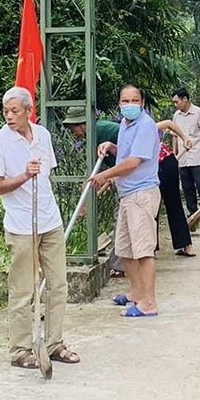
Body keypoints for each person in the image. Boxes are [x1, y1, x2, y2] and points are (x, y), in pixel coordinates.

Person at [0, 87, 80, 368]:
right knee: (23, 290)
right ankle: (20, 350)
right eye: (6, 111)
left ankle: (53, 344)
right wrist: (23, 176)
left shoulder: (43, 136)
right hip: (20, 224)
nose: (9, 116)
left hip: (49, 220)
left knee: (58, 285)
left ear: (29, 110)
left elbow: (47, 178)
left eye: (15, 110)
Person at [90, 85, 162, 317]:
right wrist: (112, 147)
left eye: (134, 100)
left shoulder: (146, 125)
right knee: (124, 249)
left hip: (141, 194)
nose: (129, 104)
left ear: (142, 103)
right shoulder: (125, 123)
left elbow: (134, 161)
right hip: (126, 194)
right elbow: (128, 152)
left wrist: (105, 175)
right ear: (119, 103)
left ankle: (149, 303)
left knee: (143, 250)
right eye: (125, 100)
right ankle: (136, 293)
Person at [62, 106, 126, 276]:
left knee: (121, 219)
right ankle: (121, 264)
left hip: (131, 177)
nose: (72, 133)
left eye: (72, 128)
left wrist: (84, 205)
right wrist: (85, 203)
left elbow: (94, 174)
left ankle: (119, 266)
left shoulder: (100, 133)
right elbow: (95, 173)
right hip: (122, 176)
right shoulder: (94, 134)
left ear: (82, 125)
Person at [153, 117, 196, 256]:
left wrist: (185, 138)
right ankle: (184, 245)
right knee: (157, 206)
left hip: (162, 164)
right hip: (163, 163)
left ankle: (184, 245)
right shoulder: (127, 129)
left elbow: (169, 123)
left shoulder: (143, 126)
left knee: (156, 206)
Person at [171, 88, 200, 222]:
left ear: (185, 99)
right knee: (187, 186)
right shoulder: (176, 115)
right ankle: (193, 213)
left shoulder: (199, 113)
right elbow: (174, 135)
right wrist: (174, 153)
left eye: (176, 101)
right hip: (183, 158)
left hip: (197, 155)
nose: (175, 104)